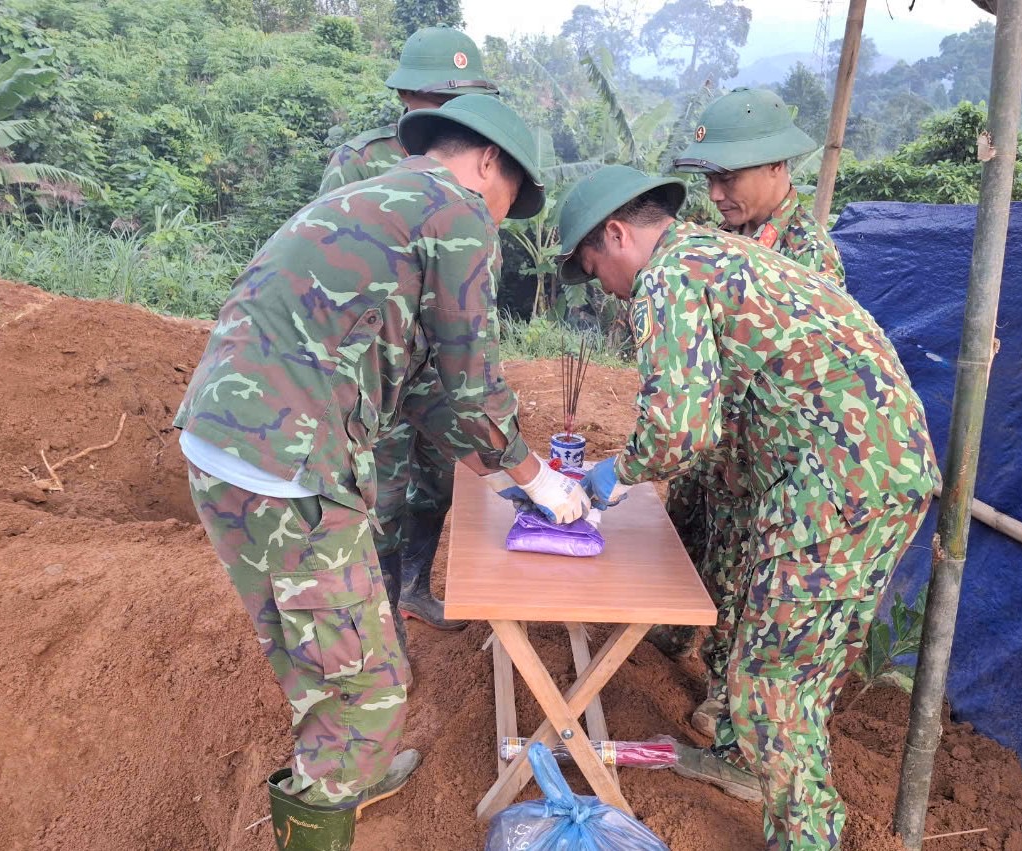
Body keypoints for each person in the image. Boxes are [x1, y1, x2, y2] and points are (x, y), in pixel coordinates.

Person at [175, 95, 589, 850]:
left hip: (221, 437)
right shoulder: (455, 211)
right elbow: (472, 381)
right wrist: (538, 478)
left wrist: (501, 470)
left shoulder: (368, 196)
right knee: (370, 686)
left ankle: (345, 774)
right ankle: (324, 804)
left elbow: (429, 384)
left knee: (314, 649)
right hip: (288, 462)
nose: (499, 219)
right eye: (506, 201)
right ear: (487, 161)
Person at [555, 165, 939, 851]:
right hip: (861, 469)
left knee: (771, 680)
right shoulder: (713, 252)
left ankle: (806, 838)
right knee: (791, 656)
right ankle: (739, 762)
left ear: (615, 233)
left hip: (838, 482)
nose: (607, 290)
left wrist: (613, 473)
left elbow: (680, 428)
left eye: (596, 268)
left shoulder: (668, 278)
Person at [654, 88, 847, 740]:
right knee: (681, 519)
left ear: (774, 168)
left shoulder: (806, 258)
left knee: (743, 573)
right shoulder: (733, 236)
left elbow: (799, 385)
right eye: (709, 178)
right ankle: (672, 623)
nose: (716, 192)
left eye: (726, 177)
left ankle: (726, 703)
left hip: (771, 453)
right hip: (721, 433)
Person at [319, 26, 501, 633]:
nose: (452, 114)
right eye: (439, 102)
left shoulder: (483, 166)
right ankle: (384, 621)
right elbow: (332, 264)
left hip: (444, 368)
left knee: (441, 481)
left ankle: (417, 589)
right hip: (383, 367)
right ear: (408, 98)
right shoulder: (361, 161)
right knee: (386, 498)